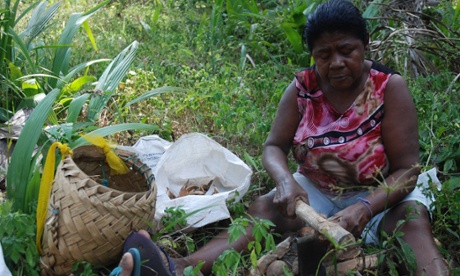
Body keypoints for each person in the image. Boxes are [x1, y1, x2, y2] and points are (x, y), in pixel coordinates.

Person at [111, 0, 450, 275]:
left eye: (347, 50)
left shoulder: (389, 88)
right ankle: (180, 267)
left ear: (365, 46)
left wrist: (363, 207)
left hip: (382, 195)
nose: (336, 63)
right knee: (263, 208)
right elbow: (274, 146)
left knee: (412, 225)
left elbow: (408, 169)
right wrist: (286, 181)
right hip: (317, 190)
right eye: (324, 54)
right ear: (313, 55)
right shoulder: (304, 88)